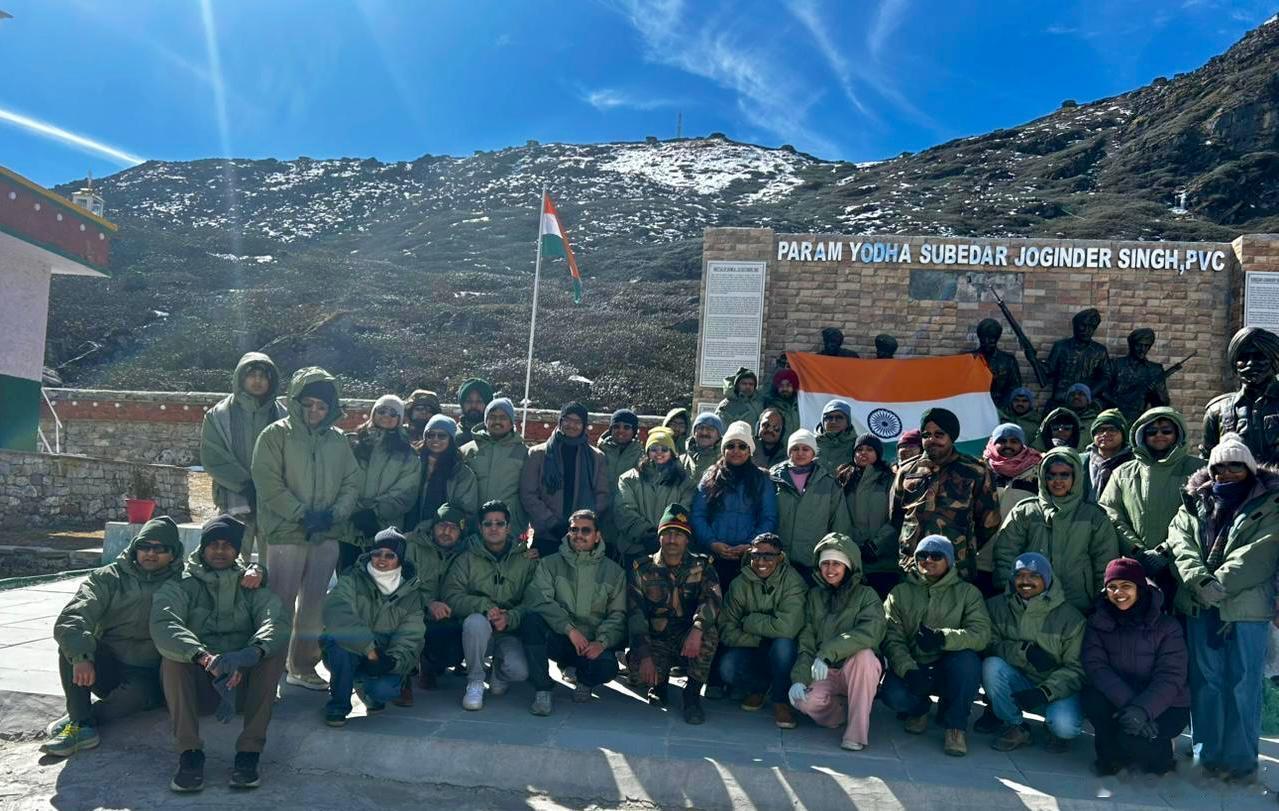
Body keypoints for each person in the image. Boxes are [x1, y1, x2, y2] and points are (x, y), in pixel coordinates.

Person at [1167, 434, 1279, 782]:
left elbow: (1260, 551)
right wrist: (1200, 581)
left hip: (1247, 609)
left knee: (1243, 685)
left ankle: (1241, 762)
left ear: (1249, 469)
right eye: (1219, 467)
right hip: (1199, 604)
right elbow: (1180, 542)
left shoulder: (1271, 504)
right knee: (1206, 682)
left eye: (1235, 466)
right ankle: (1207, 756)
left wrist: (1217, 585)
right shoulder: (1193, 503)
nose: (1226, 473)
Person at [150, 515, 287, 792]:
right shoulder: (181, 583)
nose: (220, 551)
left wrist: (249, 654)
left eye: (227, 545)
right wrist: (203, 657)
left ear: (237, 551)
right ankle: (190, 754)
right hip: (202, 685)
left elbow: (276, 620)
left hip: (241, 684)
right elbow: (164, 624)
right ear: (203, 548)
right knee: (173, 660)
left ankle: (249, 753)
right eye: (213, 544)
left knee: (272, 653)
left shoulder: (250, 584)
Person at [251, 366, 360, 692]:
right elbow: (268, 482)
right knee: (280, 603)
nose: (315, 411)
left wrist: (334, 514)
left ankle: (302, 665)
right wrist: (300, 514)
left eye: (322, 406)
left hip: (326, 533)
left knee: (314, 605)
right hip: (286, 533)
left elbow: (352, 481)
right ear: (296, 401)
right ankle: (270, 668)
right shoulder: (274, 436)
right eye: (308, 403)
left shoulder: (338, 440)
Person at [45, 516, 186, 757]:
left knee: (132, 700)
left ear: (173, 554)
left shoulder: (184, 583)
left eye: (160, 548)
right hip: (107, 664)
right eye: (144, 546)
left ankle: (80, 714)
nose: (150, 553)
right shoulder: (108, 577)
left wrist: (253, 572)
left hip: (148, 672)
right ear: (135, 547)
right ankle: (81, 726)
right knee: (74, 644)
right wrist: (81, 657)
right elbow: (73, 616)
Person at [880, 536, 990, 757]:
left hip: (948, 665)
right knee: (893, 695)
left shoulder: (968, 593)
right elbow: (891, 638)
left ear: (949, 560)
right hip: (915, 665)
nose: (928, 560)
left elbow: (981, 634)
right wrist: (908, 669)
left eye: (936, 556)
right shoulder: (899, 593)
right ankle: (919, 709)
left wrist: (943, 638)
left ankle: (956, 726)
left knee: (969, 663)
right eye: (922, 555)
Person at [1081, 557, 1189, 776]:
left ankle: (1162, 756)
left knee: (1137, 746)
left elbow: (1171, 676)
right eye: (1112, 587)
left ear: (1140, 588)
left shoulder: (1167, 626)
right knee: (1093, 698)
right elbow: (1096, 667)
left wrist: (1143, 710)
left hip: (1165, 704)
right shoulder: (1098, 622)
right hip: (1120, 698)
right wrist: (1131, 707)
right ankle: (1110, 757)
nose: (1118, 592)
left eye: (1126, 586)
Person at [787, 533, 886, 750]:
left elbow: (870, 632)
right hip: (826, 671)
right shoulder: (815, 596)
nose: (830, 569)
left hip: (856, 669)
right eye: (825, 563)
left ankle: (856, 733)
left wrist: (827, 652)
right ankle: (840, 713)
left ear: (848, 566)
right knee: (803, 701)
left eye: (837, 564)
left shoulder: (867, 595)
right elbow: (807, 640)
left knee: (865, 655)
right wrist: (799, 678)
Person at [523, 510, 626, 715]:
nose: (579, 534)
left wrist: (601, 642)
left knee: (608, 668)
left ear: (597, 536)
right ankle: (543, 689)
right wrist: (569, 629)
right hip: (560, 637)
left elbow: (618, 615)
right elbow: (539, 600)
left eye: (585, 530)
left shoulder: (614, 572)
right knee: (531, 621)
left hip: (590, 644)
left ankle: (584, 681)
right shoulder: (549, 563)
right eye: (574, 529)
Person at [626, 504, 722, 724]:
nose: (672, 539)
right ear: (659, 537)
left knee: (709, 634)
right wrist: (645, 655)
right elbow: (635, 615)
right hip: (657, 638)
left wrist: (697, 628)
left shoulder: (702, 566)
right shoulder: (643, 569)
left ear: (687, 539)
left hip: (688, 636)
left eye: (678, 534)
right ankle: (659, 685)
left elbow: (713, 600)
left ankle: (692, 694)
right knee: (638, 673)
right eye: (667, 533)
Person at [320, 528, 425, 726]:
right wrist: (369, 648)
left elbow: (411, 636)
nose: (381, 559)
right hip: (353, 646)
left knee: (383, 690)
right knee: (337, 643)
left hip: (384, 653)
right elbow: (336, 611)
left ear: (400, 559)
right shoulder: (352, 577)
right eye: (377, 553)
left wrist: (391, 662)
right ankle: (338, 706)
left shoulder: (411, 592)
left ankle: (369, 693)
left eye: (390, 555)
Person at [993, 448, 1119, 613]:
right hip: (1030, 601)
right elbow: (1005, 554)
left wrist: (1101, 601)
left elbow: (1105, 563)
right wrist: (1010, 593)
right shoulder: (1026, 511)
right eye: (1051, 475)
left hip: (1078, 602)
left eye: (1064, 475)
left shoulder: (1093, 516)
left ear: (1076, 477)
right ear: (1043, 477)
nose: (1057, 481)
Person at [1100, 406, 1205, 603]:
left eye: (1166, 431)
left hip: (1184, 563)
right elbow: (1110, 513)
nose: (1159, 436)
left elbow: (1202, 516)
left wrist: (1166, 550)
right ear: (1142, 435)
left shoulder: (1199, 470)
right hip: (1136, 566)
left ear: (1178, 433)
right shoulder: (1123, 472)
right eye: (1152, 432)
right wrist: (1137, 550)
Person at [981, 553, 1085, 752]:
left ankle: (1055, 728)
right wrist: (1022, 651)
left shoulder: (1071, 618)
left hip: (1057, 689)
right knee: (991, 666)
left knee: (1065, 727)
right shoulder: (996, 606)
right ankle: (1016, 726)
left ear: (1047, 578)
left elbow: (1077, 669)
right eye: (1020, 575)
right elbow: (988, 643)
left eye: (1034, 575)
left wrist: (1045, 691)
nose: (1025, 581)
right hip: (1019, 681)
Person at [442, 499, 539, 712]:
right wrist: (483, 606)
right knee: (476, 622)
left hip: (508, 631)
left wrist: (511, 617)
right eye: (488, 524)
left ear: (509, 527)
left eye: (499, 523)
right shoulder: (466, 558)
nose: (494, 528)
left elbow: (534, 600)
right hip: (476, 632)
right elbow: (451, 594)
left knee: (519, 672)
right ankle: (475, 680)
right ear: (480, 527)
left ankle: (498, 672)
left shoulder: (525, 560)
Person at [891, 408, 1001, 583]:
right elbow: (896, 518)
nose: (931, 440)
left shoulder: (976, 471)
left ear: (952, 437)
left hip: (957, 568)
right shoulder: (907, 471)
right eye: (926, 435)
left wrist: (964, 546)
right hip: (912, 566)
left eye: (939, 434)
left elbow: (989, 522)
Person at [200, 352, 286, 564]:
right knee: (232, 558)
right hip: (234, 497)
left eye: (263, 376)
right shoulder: (218, 415)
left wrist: (269, 486)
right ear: (241, 378)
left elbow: (292, 457)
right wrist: (246, 485)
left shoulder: (284, 417)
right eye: (252, 375)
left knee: (274, 563)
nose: (257, 380)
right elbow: (213, 456)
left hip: (273, 500)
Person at [717, 532, 807, 727]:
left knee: (783, 646)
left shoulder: (793, 582)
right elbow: (726, 628)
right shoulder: (739, 584)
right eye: (756, 555)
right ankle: (758, 688)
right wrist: (761, 640)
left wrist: (749, 621)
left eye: (768, 556)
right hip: (752, 645)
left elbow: (788, 627)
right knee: (728, 668)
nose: (761, 561)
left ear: (780, 558)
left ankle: (780, 700)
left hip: (783, 649)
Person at [691, 420, 779, 595]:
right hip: (713, 556)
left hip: (749, 559)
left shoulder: (762, 479)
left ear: (750, 450)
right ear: (723, 449)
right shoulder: (710, 476)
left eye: (742, 446)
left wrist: (751, 545)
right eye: (731, 446)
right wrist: (712, 542)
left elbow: (769, 517)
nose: (736, 451)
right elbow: (698, 514)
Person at [340, 394, 421, 574]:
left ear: (400, 419)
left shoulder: (408, 454)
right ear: (373, 413)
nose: (386, 416)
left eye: (393, 413)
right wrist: (353, 509)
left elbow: (406, 492)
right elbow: (340, 480)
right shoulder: (351, 443)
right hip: (348, 527)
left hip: (383, 531)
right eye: (382, 411)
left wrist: (374, 512)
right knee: (347, 579)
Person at [521, 402, 610, 558]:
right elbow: (528, 494)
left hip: (581, 538)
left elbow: (602, 495)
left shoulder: (596, 458)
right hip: (547, 535)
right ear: (560, 421)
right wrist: (551, 523)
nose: (572, 425)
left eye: (578, 422)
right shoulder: (537, 454)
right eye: (567, 420)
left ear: (584, 425)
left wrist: (583, 524)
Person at [404, 503, 469, 691]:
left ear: (461, 533)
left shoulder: (467, 552)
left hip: (449, 616)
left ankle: (432, 662)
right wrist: (428, 603)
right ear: (433, 527)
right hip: (414, 612)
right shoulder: (411, 546)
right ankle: (402, 676)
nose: (446, 532)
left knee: (452, 652)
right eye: (442, 525)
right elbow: (399, 586)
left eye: (453, 528)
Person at [615, 427, 695, 566]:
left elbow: (685, 510)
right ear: (647, 452)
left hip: (672, 550)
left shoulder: (685, 482)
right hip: (635, 549)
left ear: (672, 453)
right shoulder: (628, 479)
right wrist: (646, 534)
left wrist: (666, 536)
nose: (659, 453)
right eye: (654, 449)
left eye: (664, 449)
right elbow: (624, 510)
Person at [834, 434, 900, 598]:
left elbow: (896, 518)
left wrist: (876, 546)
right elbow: (838, 515)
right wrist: (851, 545)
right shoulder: (843, 479)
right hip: (852, 559)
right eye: (859, 449)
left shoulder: (890, 480)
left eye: (869, 449)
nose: (863, 453)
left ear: (878, 453)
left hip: (884, 562)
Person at [770, 429, 839, 583]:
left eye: (805, 449)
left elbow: (839, 521)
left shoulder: (828, 482)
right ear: (789, 452)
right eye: (795, 448)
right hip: (778, 558)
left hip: (812, 560)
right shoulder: (773, 478)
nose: (800, 453)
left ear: (813, 452)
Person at [1203, 327, 1279, 464]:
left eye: (1259, 357)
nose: (1250, 364)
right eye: (1243, 358)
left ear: (1274, 360)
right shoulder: (1217, 410)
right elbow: (1207, 459)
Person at [405, 414, 480, 548]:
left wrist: (426, 527)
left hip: (445, 538)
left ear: (451, 439)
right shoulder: (411, 465)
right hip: (406, 534)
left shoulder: (462, 474)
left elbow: (464, 510)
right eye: (431, 435)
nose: (435, 439)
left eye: (442, 436)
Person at [460, 397, 530, 539]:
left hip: (510, 528)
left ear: (511, 422)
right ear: (485, 421)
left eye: (503, 417)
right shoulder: (467, 451)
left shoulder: (524, 453)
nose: (497, 421)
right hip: (472, 527)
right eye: (492, 417)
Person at [597, 408, 643, 553]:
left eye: (627, 427)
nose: (621, 430)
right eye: (616, 426)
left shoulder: (642, 456)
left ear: (634, 431)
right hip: (600, 521)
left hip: (627, 524)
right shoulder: (598, 452)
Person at [1045, 308, 1109, 408]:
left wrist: (1089, 394)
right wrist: (1037, 363)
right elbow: (1049, 371)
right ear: (1075, 326)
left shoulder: (1100, 351)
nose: (1087, 330)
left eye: (1091, 327)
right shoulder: (1061, 347)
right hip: (1061, 400)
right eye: (1083, 326)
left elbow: (1106, 377)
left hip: (1086, 403)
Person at [1104, 328, 1171, 424]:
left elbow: (1162, 404)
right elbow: (1103, 392)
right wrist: (1121, 406)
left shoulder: (1155, 370)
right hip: (1113, 417)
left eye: (1146, 346)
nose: (1142, 349)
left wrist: (1156, 392)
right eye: (1139, 345)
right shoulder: (1115, 364)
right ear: (1131, 345)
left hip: (1138, 420)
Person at [1081, 409, 1132, 503]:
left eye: (1112, 429)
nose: (1105, 434)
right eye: (1100, 430)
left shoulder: (1133, 461)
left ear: (1123, 434)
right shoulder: (1081, 460)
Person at [975, 318, 1022, 410]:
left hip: (1000, 407)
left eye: (991, 339)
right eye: (984, 339)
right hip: (975, 405)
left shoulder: (1008, 361)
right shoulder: (970, 359)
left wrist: (1001, 408)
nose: (987, 342)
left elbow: (1015, 389)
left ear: (996, 339)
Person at [815, 399, 857, 474]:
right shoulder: (809, 444)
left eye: (839, 417)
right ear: (823, 421)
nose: (833, 421)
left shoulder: (857, 446)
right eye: (829, 417)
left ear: (848, 421)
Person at [682, 412, 724, 483]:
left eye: (710, 429)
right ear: (694, 433)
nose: (704, 432)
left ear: (718, 435)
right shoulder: (681, 460)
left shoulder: (725, 461)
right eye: (700, 428)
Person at [455, 377, 494, 446]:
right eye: (468, 401)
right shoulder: (451, 436)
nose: (473, 405)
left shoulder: (496, 435)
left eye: (479, 401)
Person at [764, 368, 801, 440]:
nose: (785, 389)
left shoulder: (801, 405)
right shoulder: (769, 404)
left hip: (797, 445)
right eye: (781, 386)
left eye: (788, 385)